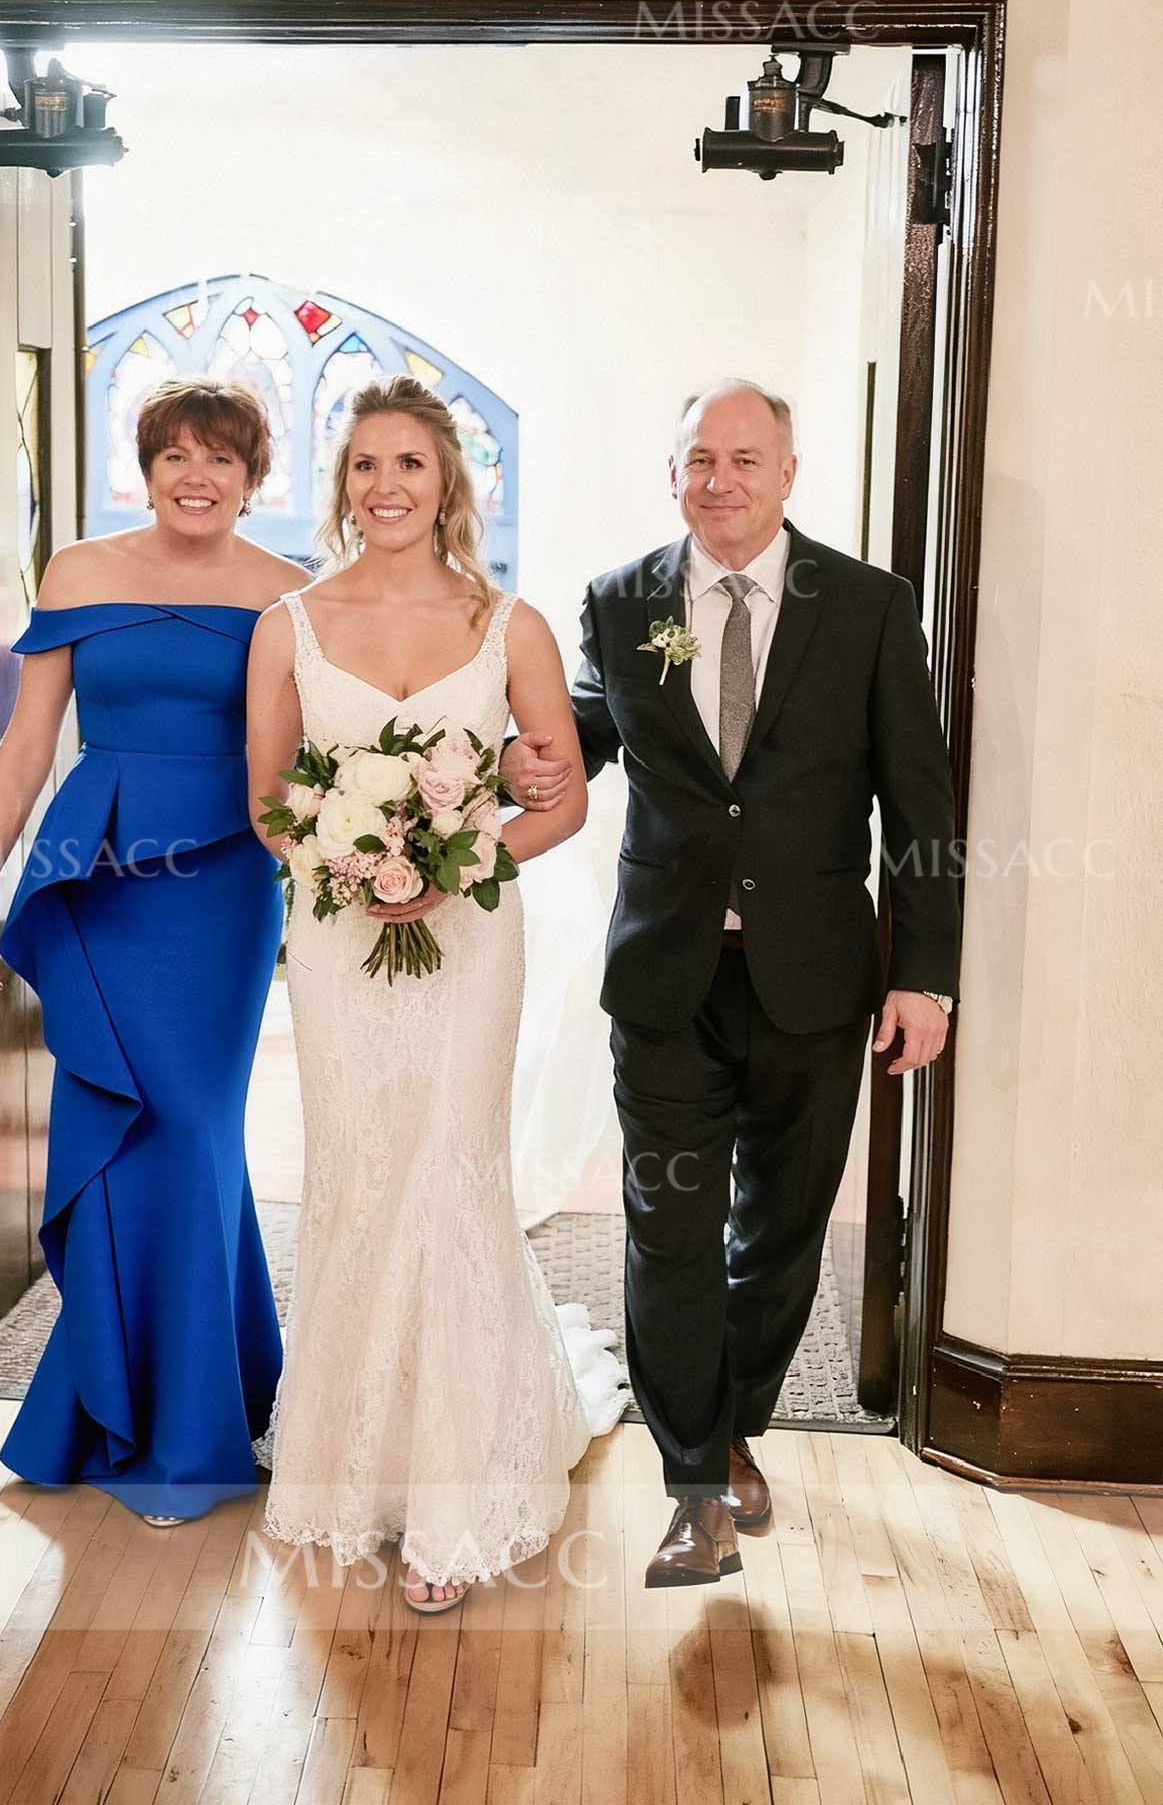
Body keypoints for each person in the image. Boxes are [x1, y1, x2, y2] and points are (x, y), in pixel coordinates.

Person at [501, 378, 960, 1587]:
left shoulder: (867, 607)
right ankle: (694, 1484)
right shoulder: (620, 600)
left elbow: (921, 805)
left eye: (746, 458)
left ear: (787, 473)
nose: (721, 479)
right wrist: (503, 759)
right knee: (668, 1227)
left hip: (816, 977)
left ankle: (736, 1419)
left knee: (782, 1229)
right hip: (668, 970)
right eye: (699, 457)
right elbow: (587, 733)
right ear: (672, 474)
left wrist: (923, 975)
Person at [244, 374, 629, 1613]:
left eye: (409, 462)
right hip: (338, 939)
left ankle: (455, 1500)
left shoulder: (510, 625)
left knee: (450, 1168)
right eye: (364, 464)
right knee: (361, 1170)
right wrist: (350, 862)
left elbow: (562, 802)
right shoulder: (287, 626)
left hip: (468, 940)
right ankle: (355, 1461)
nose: (386, 485)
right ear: (341, 486)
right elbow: (267, 802)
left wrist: (455, 861)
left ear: (446, 482)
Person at [0, 375, 310, 1524]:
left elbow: (313, 750)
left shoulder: (288, 590)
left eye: (221, 458)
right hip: (95, 875)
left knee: (190, 1128)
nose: (197, 475)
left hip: (223, 883)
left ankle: (190, 1430)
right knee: (120, 1130)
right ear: (144, 468)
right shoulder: (79, 570)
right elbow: (25, 741)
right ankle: (139, 1406)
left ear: (252, 477)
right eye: (174, 454)